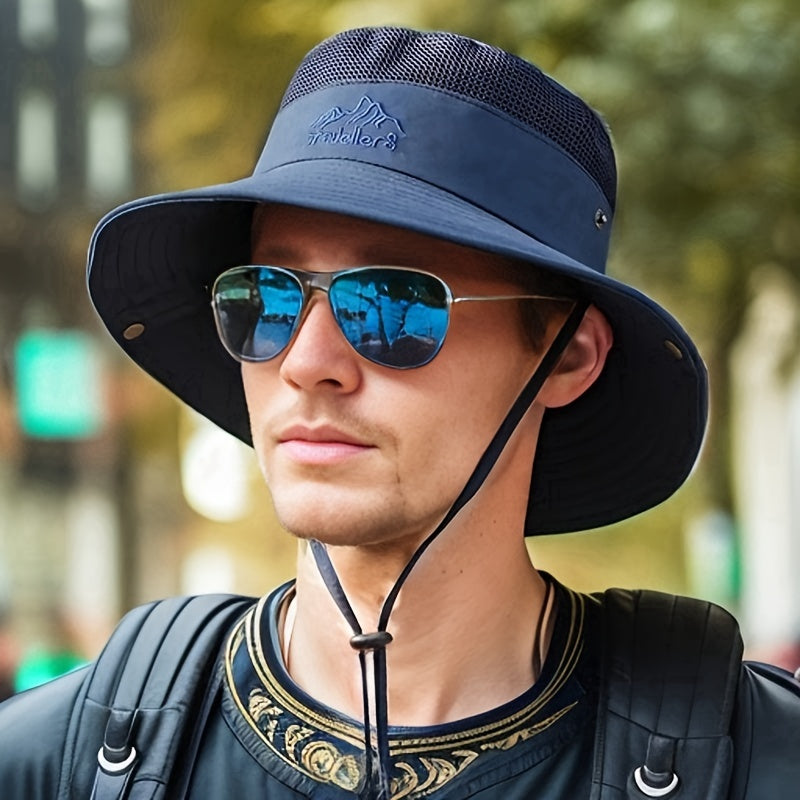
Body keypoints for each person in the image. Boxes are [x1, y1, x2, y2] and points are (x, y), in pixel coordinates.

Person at [1, 25, 798, 800]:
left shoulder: (759, 762)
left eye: (392, 302)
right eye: (266, 297)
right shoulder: (50, 766)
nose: (306, 362)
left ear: (567, 356)